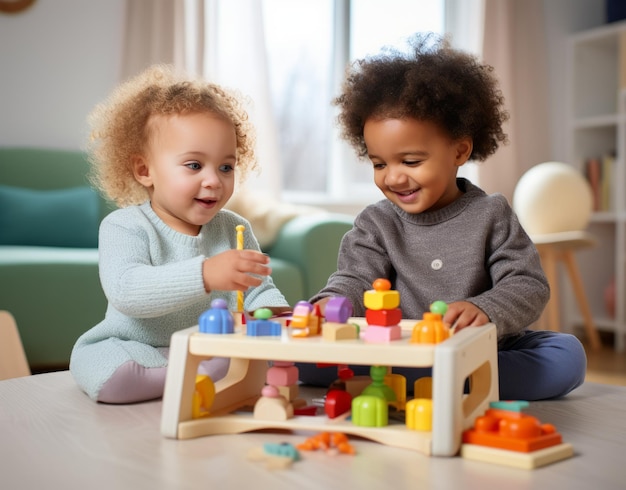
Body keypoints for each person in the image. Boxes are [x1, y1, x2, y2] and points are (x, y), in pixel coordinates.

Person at [299, 33, 586, 401]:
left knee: (567, 355)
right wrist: (330, 306)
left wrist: (484, 308)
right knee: (304, 359)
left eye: (412, 161)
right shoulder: (375, 223)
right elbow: (353, 279)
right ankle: (444, 382)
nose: (393, 177)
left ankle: (418, 381)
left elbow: (528, 286)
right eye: (379, 164)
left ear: (460, 150)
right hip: (398, 346)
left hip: (482, 349)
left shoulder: (491, 214)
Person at [70, 64, 290, 404]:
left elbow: (260, 291)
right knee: (97, 363)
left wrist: (281, 317)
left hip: (210, 346)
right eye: (194, 165)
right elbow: (127, 291)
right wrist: (206, 273)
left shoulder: (235, 228)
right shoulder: (124, 226)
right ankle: (181, 377)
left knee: (272, 354)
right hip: (137, 348)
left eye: (226, 167)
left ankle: (198, 373)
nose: (214, 180)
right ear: (145, 170)